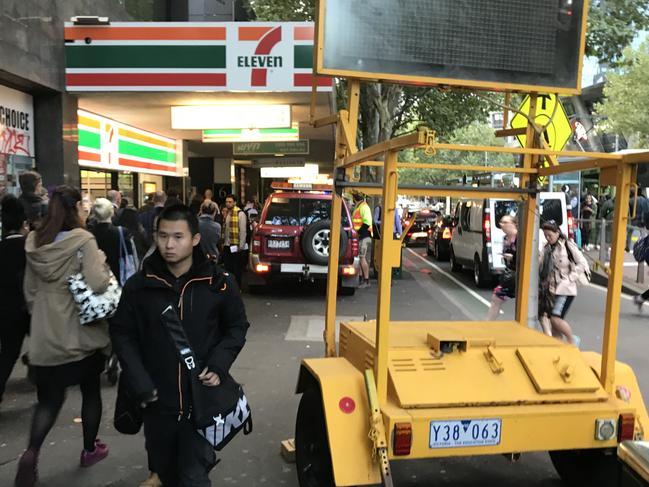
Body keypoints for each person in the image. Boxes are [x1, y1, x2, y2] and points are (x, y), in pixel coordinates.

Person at [110, 204, 249, 487]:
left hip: (201, 404)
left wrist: (220, 363)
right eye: (162, 236)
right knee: (166, 473)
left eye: (177, 237)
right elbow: (122, 333)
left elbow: (236, 327)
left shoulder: (218, 284)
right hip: (157, 405)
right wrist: (139, 380)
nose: (168, 245)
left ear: (195, 239)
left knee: (193, 477)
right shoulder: (140, 286)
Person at [16, 186, 112, 487]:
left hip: (45, 335)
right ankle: (89, 449)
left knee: (48, 401)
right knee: (90, 391)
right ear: (76, 209)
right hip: (79, 334)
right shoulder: (83, 240)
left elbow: (30, 293)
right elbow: (97, 284)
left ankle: (31, 452)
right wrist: (103, 263)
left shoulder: (34, 242)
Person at [538, 220, 588, 346]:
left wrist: (570, 278)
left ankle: (572, 340)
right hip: (551, 289)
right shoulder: (546, 248)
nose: (548, 238)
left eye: (550, 235)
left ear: (557, 232)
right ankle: (559, 349)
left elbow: (582, 263)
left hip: (566, 289)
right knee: (554, 326)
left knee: (555, 318)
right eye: (545, 235)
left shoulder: (567, 245)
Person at [0, 195, 30, 406]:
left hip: (4, 307)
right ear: (24, 224)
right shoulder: (28, 249)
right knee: (11, 351)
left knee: (8, 352)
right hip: (22, 309)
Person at [89, 198, 136, 281]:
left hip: (98, 276)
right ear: (112, 212)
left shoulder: (90, 234)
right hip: (120, 275)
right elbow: (131, 257)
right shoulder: (122, 232)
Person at [486, 215, 518, 320]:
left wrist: (513, 257)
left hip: (521, 275)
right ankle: (487, 325)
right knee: (496, 298)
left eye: (505, 222)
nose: (501, 225)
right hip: (510, 275)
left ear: (513, 224)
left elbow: (526, 256)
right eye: (501, 222)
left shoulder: (519, 237)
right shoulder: (505, 238)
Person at [222, 195, 247, 287]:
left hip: (236, 245)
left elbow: (243, 230)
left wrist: (241, 245)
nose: (228, 204)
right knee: (228, 267)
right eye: (227, 202)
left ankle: (237, 286)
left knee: (236, 268)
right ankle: (228, 286)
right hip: (227, 244)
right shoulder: (227, 213)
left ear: (235, 202)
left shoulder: (240, 214)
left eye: (230, 202)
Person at [352, 192, 373, 288]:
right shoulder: (359, 207)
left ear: (354, 198)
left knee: (362, 258)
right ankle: (361, 279)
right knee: (360, 258)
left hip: (363, 237)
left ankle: (366, 280)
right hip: (361, 237)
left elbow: (367, 223)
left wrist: (358, 233)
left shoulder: (364, 207)